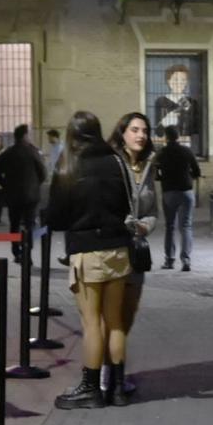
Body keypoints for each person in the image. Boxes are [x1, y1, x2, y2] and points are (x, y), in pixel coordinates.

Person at [46, 111, 133, 408]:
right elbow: (126, 204)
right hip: (118, 247)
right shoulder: (117, 161)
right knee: (116, 321)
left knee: (91, 323)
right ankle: (119, 388)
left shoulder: (68, 165)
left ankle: (90, 387)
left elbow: (55, 216)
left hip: (87, 249)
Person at [107, 112, 160, 399]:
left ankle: (116, 371)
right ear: (122, 132)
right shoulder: (112, 163)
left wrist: (145, 226)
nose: (141, 135)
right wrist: (127, 223)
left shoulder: (150, 165)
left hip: (137, 249)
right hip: (112, 247)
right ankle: (106, 373)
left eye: (145, 130)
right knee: (110, 317)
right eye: (135, 129)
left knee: (126, 315)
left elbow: (154, 211)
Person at [0, 123, 47, 264]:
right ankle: (27, 253)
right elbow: (43, 173)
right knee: (29, 225)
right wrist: (35, 185)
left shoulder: (7, 153)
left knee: (14, 224)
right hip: (30, 196)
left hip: (13, 196)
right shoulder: (33, 152)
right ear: (25, 136)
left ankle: (16, 252)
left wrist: (6, 185)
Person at [156, 124, 201, 271]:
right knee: (186, 226)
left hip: (169, 192)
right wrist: (188, 177)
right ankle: (186, 261)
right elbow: (196, 171)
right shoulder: (186, 151)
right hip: (186, 192)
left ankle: (169, 260)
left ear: (166, 137)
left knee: (170, 227)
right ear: (178, 136)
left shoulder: (161, 153)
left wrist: (163, 177)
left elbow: (156, 173)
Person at [153, 63, 201, 140]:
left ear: (186, 83)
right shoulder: (161, 101)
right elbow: (158, 132)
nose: (179, 83)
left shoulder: (192, 103)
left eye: (183, 79)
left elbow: (197, 130)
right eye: (175, 79)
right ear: (168, 81)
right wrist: (165, 122)